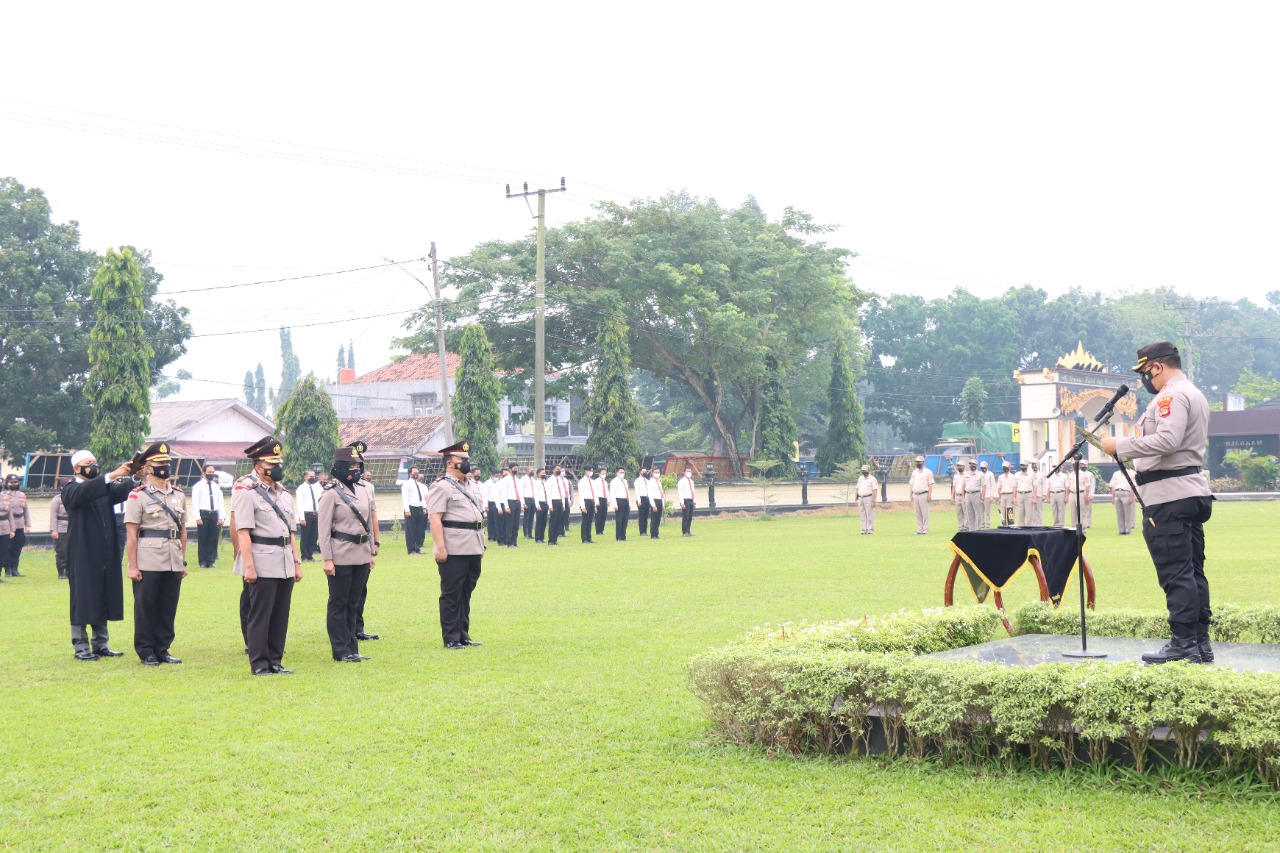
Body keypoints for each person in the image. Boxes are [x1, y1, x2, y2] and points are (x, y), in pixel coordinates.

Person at [1101, 341, 1213, 665]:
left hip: (1169, 496)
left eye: (1146, 371)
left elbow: (1167, 440)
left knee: (1176, 572)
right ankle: (1199, 643)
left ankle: (1183, 643)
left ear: (1158, 367)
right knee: (1192, 573)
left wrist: (1119, 445)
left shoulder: (1170, 396)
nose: (1145, 379)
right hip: (1188, 491)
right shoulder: (1193, 392)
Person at [233, 436, 303, 676]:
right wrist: (249, 567)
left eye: (278, 462)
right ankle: (260, 663)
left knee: (280, 614)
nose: (277, 468)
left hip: (283, 559)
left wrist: (297, 561)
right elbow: (243, 532)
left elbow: (291, 532)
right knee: (261, 614)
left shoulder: (283, 493)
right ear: (258, 466)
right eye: (272, 464)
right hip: (261, 559)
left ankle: (275, 660)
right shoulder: (246, 491)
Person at [61, 449, 137, 660]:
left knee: (103, 594)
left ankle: (101, 643)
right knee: (83, 597)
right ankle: (81, 646)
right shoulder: (70, 489)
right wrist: (112, 475)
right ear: (77, 468)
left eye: (95, 462)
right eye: (89, 462)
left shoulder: (102, 489)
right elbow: (86, 491)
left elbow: (123, 492)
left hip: (105, 554)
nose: (93, 465)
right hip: (83, 554)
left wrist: (136, 475)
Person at [123, 442, 188, 666]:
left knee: (168, 605)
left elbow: (182, 530)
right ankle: (146, 649)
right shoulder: (137, 495)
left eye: (167, 463)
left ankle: (163, 648)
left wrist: (183, 561)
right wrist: (132, 565)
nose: (165, 466)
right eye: (160, 463)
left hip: (173, 558)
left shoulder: (179, 495)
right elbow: (131, 534)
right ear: (148, 468)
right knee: (145, 605)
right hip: (148, 558)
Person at [318, 445, 378, 663]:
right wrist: (327, 559)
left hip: (361, 553)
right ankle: (341, 650)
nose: (355, 469)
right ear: (341, 467)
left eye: (358, 465)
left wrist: (371, 551)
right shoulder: (331, 493)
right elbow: (323, 530)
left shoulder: (363, 489)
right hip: (340, 554)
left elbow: (369, 523)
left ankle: (353, 647)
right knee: (339, 603)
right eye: (351, 465)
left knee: (354, 604)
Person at [426, 440, 486, 650]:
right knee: (452, 594)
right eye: (462, 459)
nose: (466, 463)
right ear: (450, 463)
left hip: (473, 546)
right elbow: (435, 519)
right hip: (453, 548)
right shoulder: (441, 486)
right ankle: (451, 637)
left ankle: (463, 634)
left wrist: (482, 545)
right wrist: (440, 547)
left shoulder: (471, 485)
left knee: (466, 593)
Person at [192, 464, 226, 568]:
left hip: (214, 514)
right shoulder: (198, 486)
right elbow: (195, 502)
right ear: (204, 472)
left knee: (213, 538)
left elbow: (220, 503)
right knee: (203, 539)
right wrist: (197, 517)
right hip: (203, 514)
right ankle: (202, 561)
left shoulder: (216, 487)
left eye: (213, 472)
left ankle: (211, 561)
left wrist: (221, 517)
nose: (211, 474)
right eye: (209, 472)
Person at [1, 473, 31, 577]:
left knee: (17, 547)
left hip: (19, 524)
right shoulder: (2, 496)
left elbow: (26, 510)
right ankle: (7, 569)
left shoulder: (21, 495)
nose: (14, 484)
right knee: (7, 547)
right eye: (11, 482)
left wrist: (28, 524)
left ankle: (15, 569)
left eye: (16, 482)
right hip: (8, 526)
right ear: (7, 483)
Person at [295, 469, 322, 562]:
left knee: (313, 536)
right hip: (307, 515)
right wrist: (302, 518)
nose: (312, 478)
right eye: (310, 476)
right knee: (305, 536)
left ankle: (310, 556)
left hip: (316, 514)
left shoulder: (315, 488)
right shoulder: (301, 488)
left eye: (313, 476)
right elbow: (300, 504)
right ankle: (304, 556)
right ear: (305, 477)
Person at [401, 466, 427, 555]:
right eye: (414, 472)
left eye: (417, 472)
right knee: (411, 530)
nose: (416, 474)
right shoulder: (406, 485)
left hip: (419, 508)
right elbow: (405, 498)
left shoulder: (420, 485)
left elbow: (423, 497)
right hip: (411, 508)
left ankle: (417, 548)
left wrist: (424, 507)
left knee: (419, 529)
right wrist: (407, 510)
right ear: (410, 474)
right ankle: (411, 549)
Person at [48, 480, 71, 579]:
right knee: (61, 551)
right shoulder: (57, 499)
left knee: (72, 551)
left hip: (73, 527)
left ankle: (69, 571)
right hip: (61, 528)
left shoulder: (74, 498)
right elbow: (53, 516)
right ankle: (61, 571)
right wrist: (54, 530)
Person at [908, 456, 933, 534]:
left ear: (923, 462)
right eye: (917, 462)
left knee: (925, 513)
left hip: (924, 494)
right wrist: (910, 494)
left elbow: (930, 484)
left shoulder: (928, 472)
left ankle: (925, 530)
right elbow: (911, 483)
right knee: (918, 513)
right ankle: (919, 530)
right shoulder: (914, 472)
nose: (918, 463)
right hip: (916, 494)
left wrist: (929, 495)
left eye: (919, 462)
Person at [1068, 460, 1095, 530]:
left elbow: (1087, 486)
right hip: (1072, 493)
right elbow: (1068, 486)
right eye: (1073, 465)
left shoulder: (1085, 475)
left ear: (1079, 465)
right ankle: (1074, 528)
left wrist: (1087, 496)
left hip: (1081, 494)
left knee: (1081, 512)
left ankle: (1083, 528)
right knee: (1073, 512)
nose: (1074, 466)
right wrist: (1067, 496)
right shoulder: (1070, 475)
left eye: (1076, 465)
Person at [1109, 468, 1137, 535]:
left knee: (1127, 513)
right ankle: (1121, 530)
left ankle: (1128, 531)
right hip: (1117, 493)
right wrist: (1113, 497)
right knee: (1119, 513)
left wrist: (1132, 497)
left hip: (1126, 493)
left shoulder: (1131, 473)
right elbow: (1112, 486)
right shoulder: (1116, 473)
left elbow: (1133, 486)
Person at [962, 460, 984, 532]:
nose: (972, 465)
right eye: (970, 464)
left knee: (977, 512)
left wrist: (982, 497)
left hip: (976, 494)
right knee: (969, 513)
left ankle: (977, 529)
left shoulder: (980, 474)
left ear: (976, 465)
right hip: (968, 494)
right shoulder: (966, 474)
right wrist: (963, 497)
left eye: (973, 464)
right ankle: (971, 529)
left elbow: (984, 486)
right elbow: (963, 486)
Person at [856, 465, 878, 534]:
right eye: (862, 470)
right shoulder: (860, 478)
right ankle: (863, 529)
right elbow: (857, 489)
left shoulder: (872, 479)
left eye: (865, 470)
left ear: (869, 471)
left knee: (869, 514)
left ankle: (870, 530)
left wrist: (873, 501)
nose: (863, 472)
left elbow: (875, 490)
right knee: (862, 514)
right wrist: (856, 498)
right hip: (860, 498)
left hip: (869, 498)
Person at [610, 466, 631, 540]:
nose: (622, 473)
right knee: (619, 519)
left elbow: (627, 492)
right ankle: (618, 536)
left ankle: (623, 536)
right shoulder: (614, 481)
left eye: (623, 472)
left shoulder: (625, 481)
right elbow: (612, 493)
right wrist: (615, 504)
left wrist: (629, 503)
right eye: (620, 472)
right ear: (617, 473)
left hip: (626, 500)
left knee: (625, 519)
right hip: (619, 501)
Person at [577, 466, 596, 543]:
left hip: (591, 500)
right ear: (585, 471)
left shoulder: (592, 481)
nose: (591, 472)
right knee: (585, 520)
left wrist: (595, 504)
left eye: (592, 471)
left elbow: (594, 493)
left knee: (590, 521)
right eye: (589, 471)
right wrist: (583, 506)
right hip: (585, 501)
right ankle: (584, 538)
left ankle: (589, 537)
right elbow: (581, 494)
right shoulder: (582, 481)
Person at [1014, 461, 1035, 525]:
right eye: (1021, 465)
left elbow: (1035, 486)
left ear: (1027, 466)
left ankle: (1029, 528)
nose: (1022, 467)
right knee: (1020, 514)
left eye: (1024, 465)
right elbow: (1015, 486)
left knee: (1029, 514)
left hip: (1028, 494)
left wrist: (1034, 498)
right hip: (1019, 494)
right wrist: (1014, 497)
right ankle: (1021, 528)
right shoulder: (1017, 474)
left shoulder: (1031, 474)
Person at [678, 466, 697, 536]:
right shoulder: (681, 481)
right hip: (685, 500)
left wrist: (694, 502)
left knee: (690, 517)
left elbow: (693, 492)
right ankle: (684, 532)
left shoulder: (691, 481)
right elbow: (680, 492)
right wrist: (682, 502)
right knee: (685, 516)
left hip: (691, 499)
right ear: (684, 472)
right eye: (687, 471)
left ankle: (688, 531)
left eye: (690, 471)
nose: (689, 473)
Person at [533, 468, 550, 543]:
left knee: (544, 521)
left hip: (545, 503)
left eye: (544, 473)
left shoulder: (545, 483)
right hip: (540, 503)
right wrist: (537, 505)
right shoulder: (536, 483)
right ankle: (537, 538)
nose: (544, 474)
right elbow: (535, 495)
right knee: (539, 521)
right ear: (538, 474)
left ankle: (542, 537)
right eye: (542, 473)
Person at [647, 469, 665, 539]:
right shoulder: (650, 482)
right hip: (654, 501)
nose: (657, 473)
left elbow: (662, 493)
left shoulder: (659, 482)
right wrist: (653, 505)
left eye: (658, 472)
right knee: (654, 518)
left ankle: (656, 533)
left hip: (660, 500)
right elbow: (650, 494)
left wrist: (663, 504)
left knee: (658, 519)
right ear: (652, 473)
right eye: (656, 472)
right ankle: (653, 534)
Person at [592, 468, 610, 537]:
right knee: (599, 516)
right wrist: (596, 501)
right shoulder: (596, 482)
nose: (604, 474)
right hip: (599, 499)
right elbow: (595, 492)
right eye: (603, 473)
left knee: (604, 515)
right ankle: (598, 530)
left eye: (605, 473)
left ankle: (602, 530)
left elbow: (606, 491)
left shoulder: (605, 482)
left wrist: (608, 500)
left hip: (604, 499)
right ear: (599, 474)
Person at [997, 462, 1016, 526]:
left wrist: (1014, 497)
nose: (1005, 469)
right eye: (1004, 467)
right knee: (1003, 511)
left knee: (1010, 511)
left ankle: (1010, 524)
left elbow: (1014, 487)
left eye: (1006, 467)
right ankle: (1004, 524)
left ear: (1009, 468)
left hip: (1010, 495)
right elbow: (999, 488)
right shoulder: (1000, 477)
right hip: (1003, 495)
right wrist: (999, 498)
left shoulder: (1013, 477)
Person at [951, 461, 968, 531]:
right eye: (958, 466)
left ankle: (966, 526)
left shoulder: (966, 475)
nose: (959, 467)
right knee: (959, 512)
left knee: (965, 511)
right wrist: (952, 497)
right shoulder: (956, 476)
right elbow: (954, 487)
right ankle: (960, 526)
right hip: (957, 495)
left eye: (960, 466)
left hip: (964, 495)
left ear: (964, 467)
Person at [634, 467, 651, 536]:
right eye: (643, 471)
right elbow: (637, 491)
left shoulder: (647, 481)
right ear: (640, 472)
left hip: (647, 498)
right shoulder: (637, 481)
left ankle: (645, 530)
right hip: (641, 498)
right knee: (642, 515)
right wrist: (639, 500)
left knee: (646, 515)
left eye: (646, 471)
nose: (645, 472)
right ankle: (642, 531)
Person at [979, 461, 996, 529]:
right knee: (981, 511)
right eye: (982, 467)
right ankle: (982, 524)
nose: (983, 469)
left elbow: (993, 485)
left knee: (987, 511)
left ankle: (988, 524)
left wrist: (992, 495)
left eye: (984, 467)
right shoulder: (979, 474)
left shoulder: (990, 474)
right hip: (980, 495)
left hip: (988, 495)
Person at [521, 466, 537, 540]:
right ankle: (525, 534)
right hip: (526, 499)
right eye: (531, 471)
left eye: (532, 471)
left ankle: (530, 533)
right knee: (526, 518)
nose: (532, 472)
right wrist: (523, 503)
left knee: (531, 517)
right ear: (527, 471)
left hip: (532, 499)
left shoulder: (533, 480)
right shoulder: (523, 480)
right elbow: (521, 492)